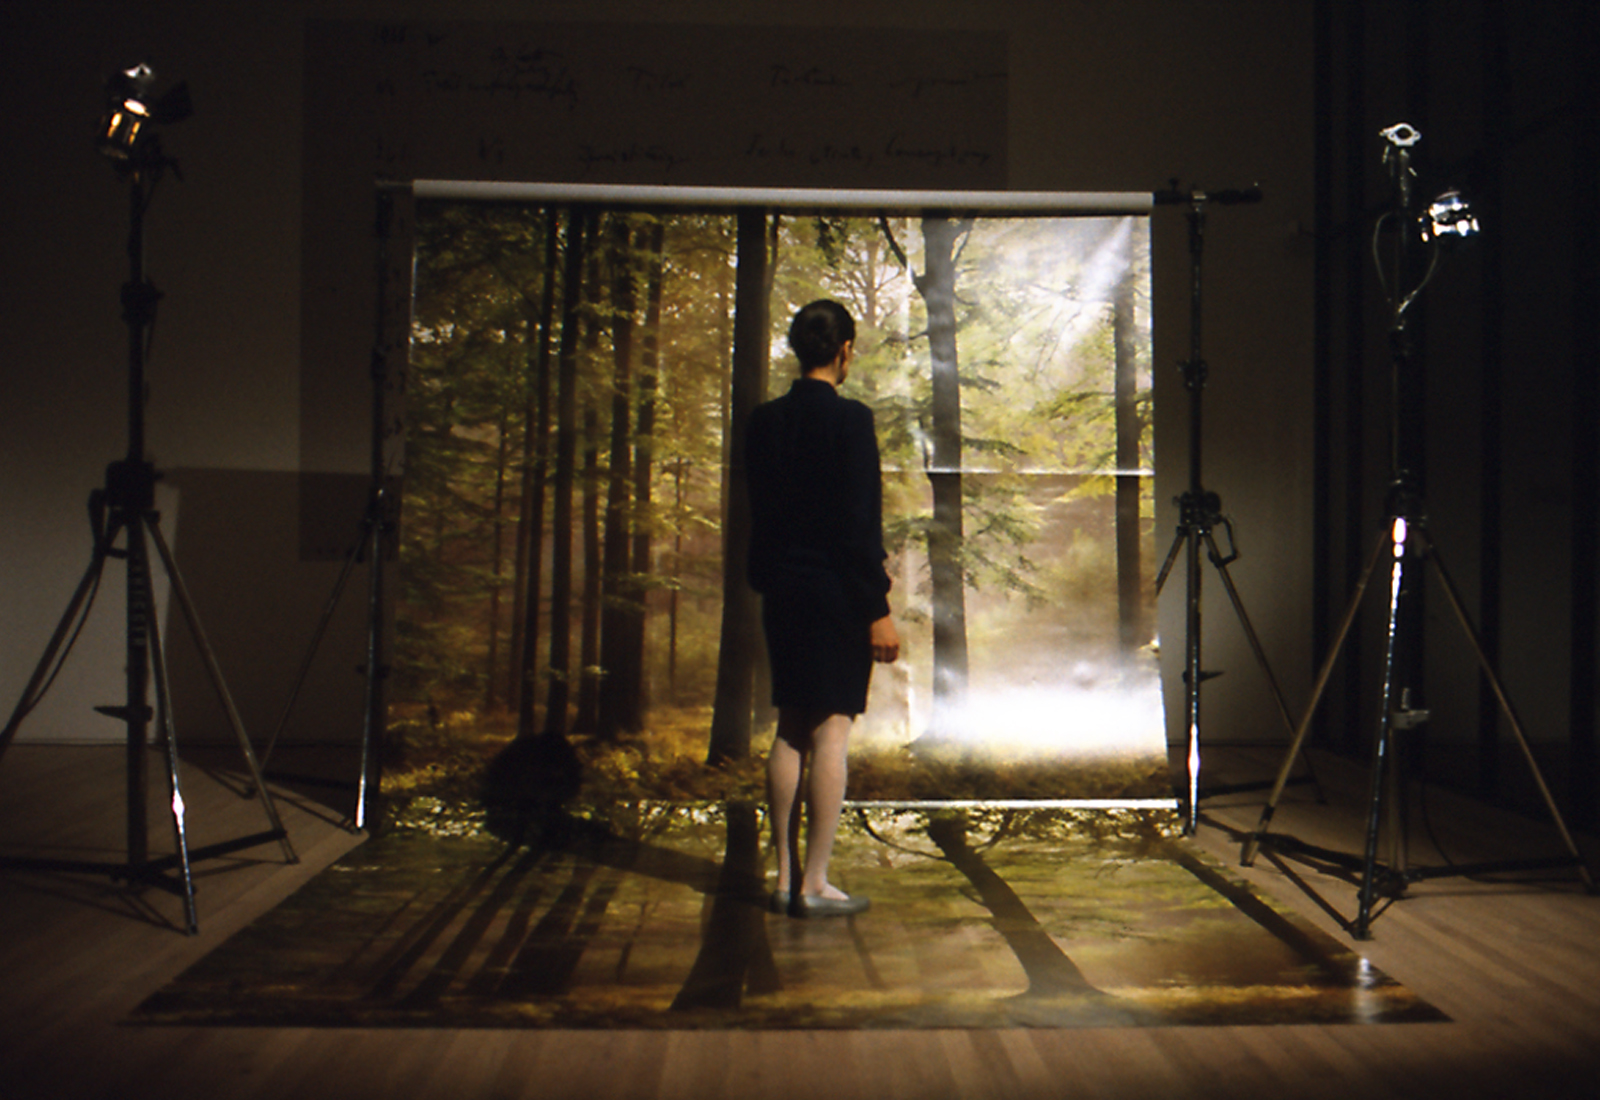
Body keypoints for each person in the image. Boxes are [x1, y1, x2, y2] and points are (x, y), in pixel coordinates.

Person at [745, 299, 900, 918]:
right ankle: (814, 883)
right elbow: (858, 525)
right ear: (844, 352)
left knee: (789, 725)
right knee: (831, 730)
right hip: (836, 593)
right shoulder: (851, 422)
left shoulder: (764, 421)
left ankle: (783, 880)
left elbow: (760, 513)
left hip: (783, 589)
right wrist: (878, 608)